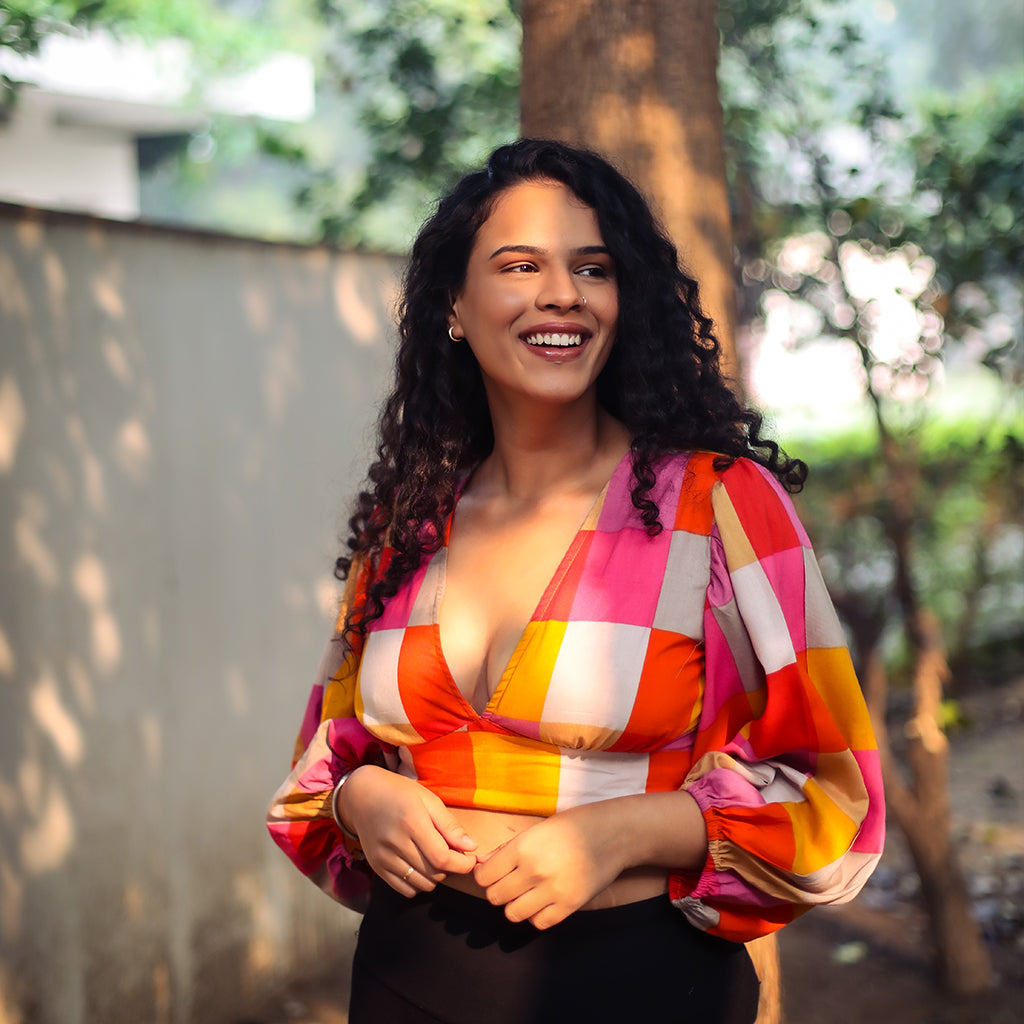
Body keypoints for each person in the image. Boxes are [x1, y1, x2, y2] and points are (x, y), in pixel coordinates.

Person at [267, 139, 885, 1024]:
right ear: (453, 304)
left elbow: (837, 793)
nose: (561, 292)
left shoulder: (717, 506)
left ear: (621, 299)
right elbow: (324, 761)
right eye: (519, 265)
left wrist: (621, 832)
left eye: (591, 268)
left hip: (639, 982)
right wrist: (360, 797)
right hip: (409, 974)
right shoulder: (404, 525)